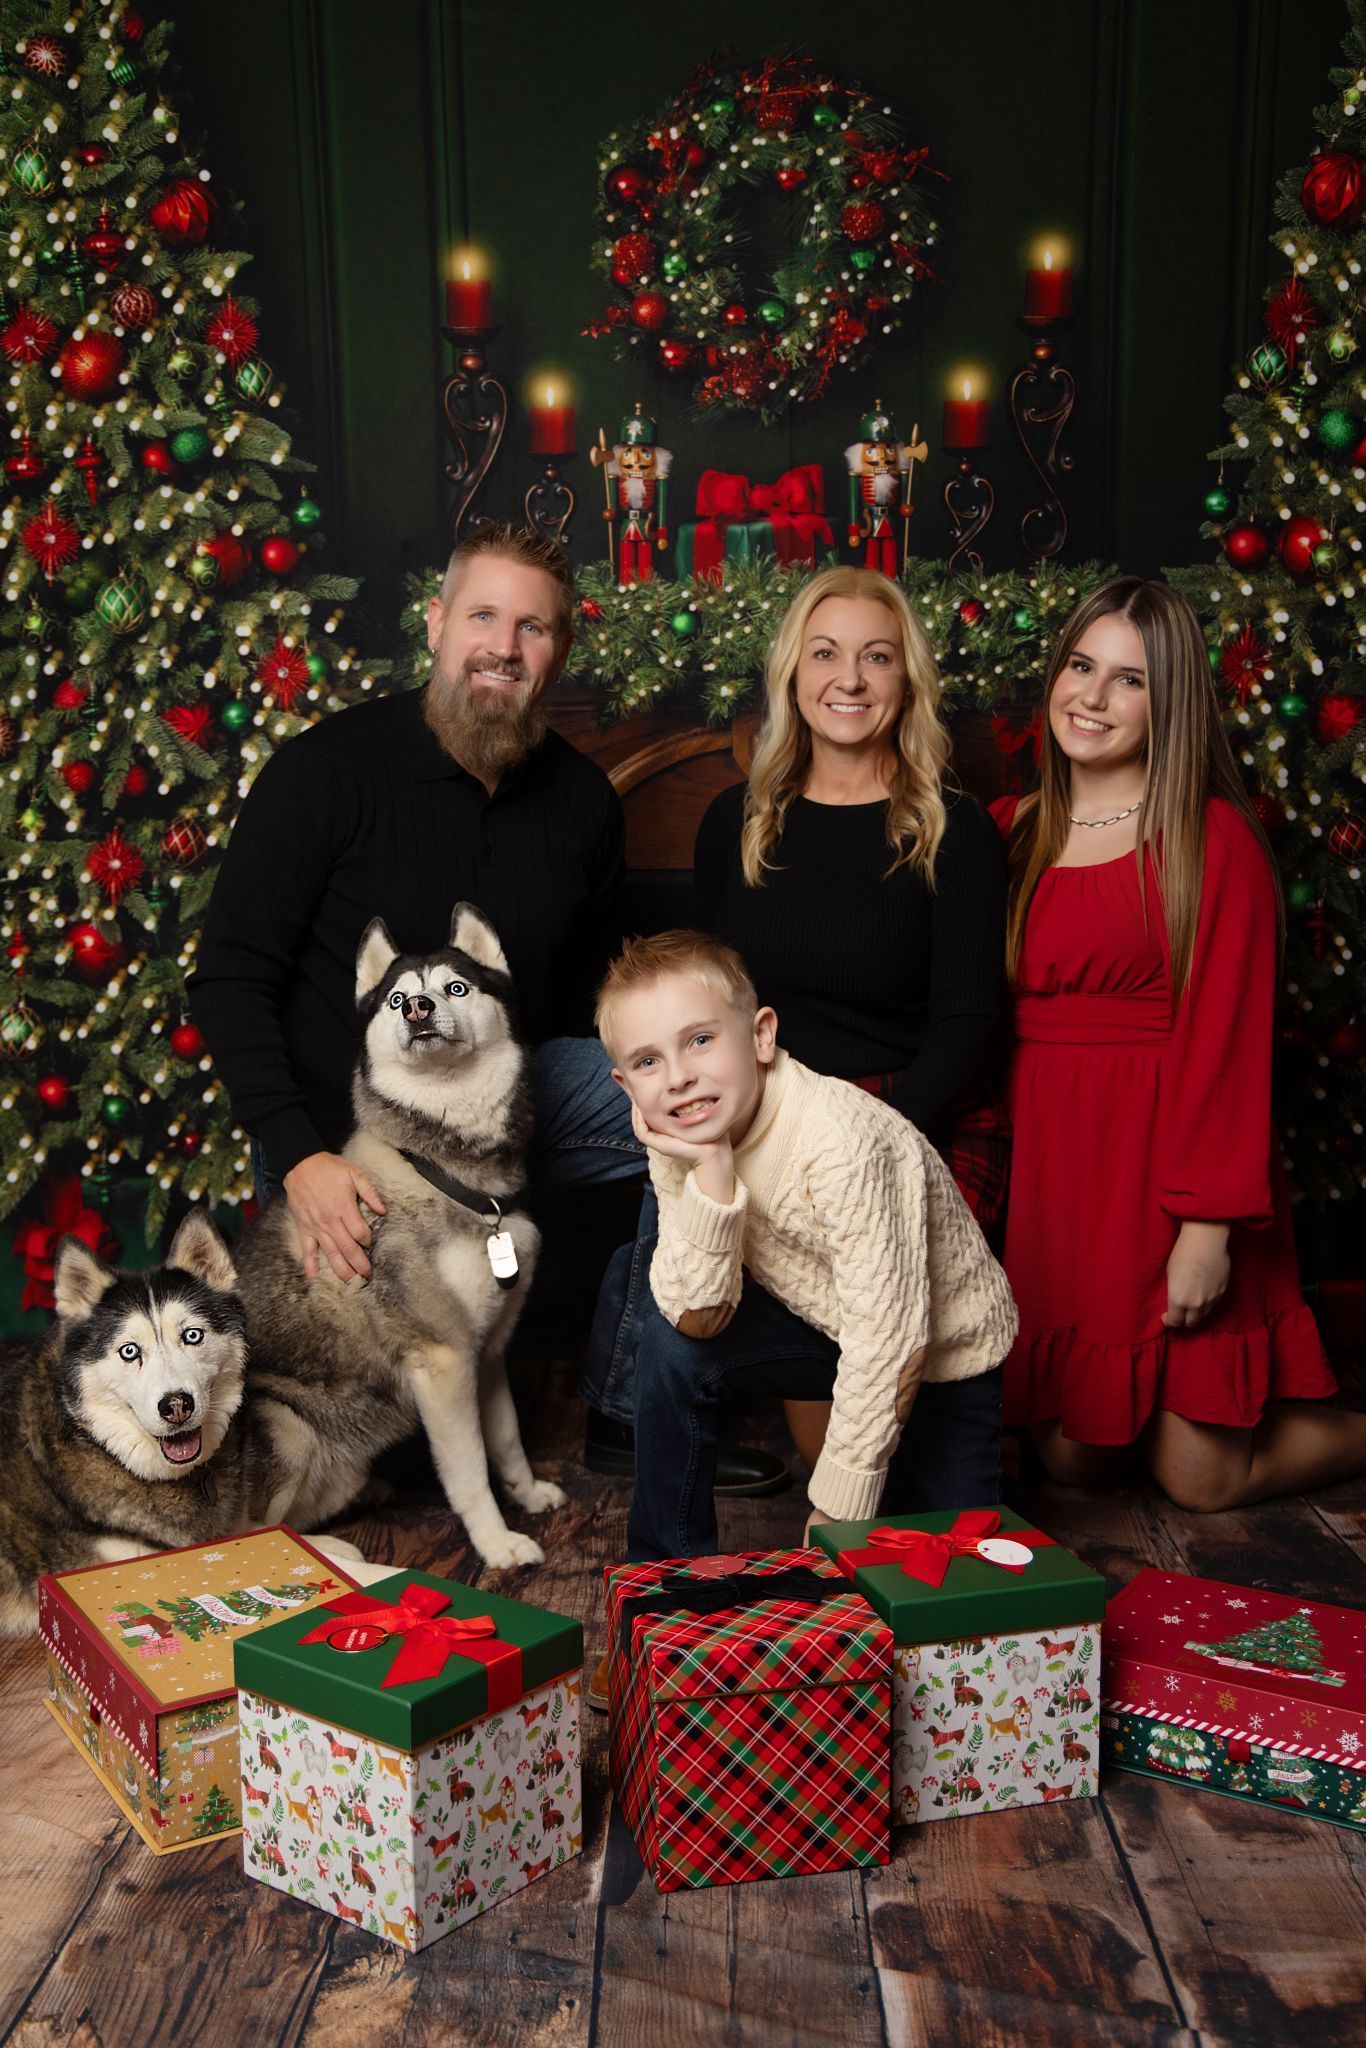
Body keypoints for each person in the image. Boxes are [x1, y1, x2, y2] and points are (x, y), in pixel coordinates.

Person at [189, 521, 783, 1497]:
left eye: (534, 628)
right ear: (435, 624)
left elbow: (603, 997)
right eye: (483, 616)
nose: (504, 646)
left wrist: (700, 1049)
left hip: (512, 1104)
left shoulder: (583, 801)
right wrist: (299, 1157)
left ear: (560, 651)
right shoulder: (325, 771)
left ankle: (635, 1408)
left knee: (707, 1106)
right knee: (401, 1407)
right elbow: (228, 976)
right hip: (348, 1142)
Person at [581, 562, 1007, 1480]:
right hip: (766, 1117)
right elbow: (697, 1008)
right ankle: (631, 1415)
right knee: (815, 1432)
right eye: (825, 654)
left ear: (907, 681)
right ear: (791, 675)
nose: (849, 680)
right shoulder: (737, 822)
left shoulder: (955, 830)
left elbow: (969, 1020)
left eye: (876, 657)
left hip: (904, 1122)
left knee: (895, 1426)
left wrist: (876, 1145)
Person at [992, 574, 1366, 1510]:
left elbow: (1230, 1048)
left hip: (1169, 1169)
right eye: (1082, 666)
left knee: (1200, 1479)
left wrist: (1207, 1231)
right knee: (1074, 1457)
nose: (1093, 696)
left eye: (1131, 680)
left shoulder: (1212, 841)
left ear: (1172, 704)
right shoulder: (1011, 831)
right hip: (1055, 1175)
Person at [594, 930, 1016, 1577]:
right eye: (648, 1063)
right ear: (626, 1085)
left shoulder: (840, 1141)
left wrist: (836, 1509)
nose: (678, 1078)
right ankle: (664, 1577)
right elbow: (695, 1317)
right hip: (827, 1323)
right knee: (665, 1342)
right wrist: (711, 1169)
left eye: (700, 1040)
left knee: (948, 1589)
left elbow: (893, 1338)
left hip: (936, 1350)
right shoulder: (684, 1131)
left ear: (761, 1036)